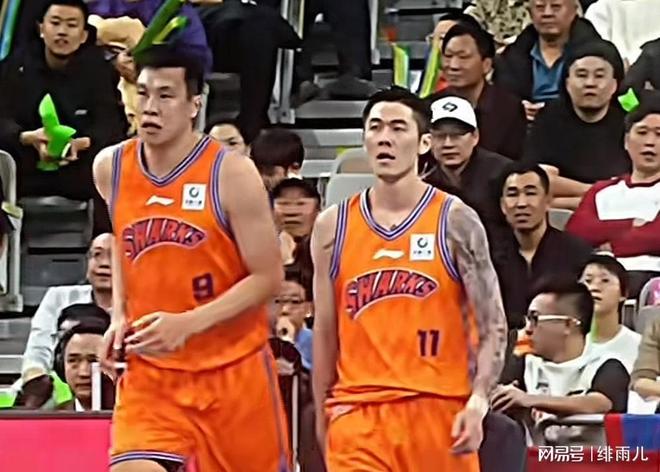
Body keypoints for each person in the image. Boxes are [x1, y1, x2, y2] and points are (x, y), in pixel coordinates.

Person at [93, 45, 288, 471]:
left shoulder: (231, 173)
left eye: (165, 95)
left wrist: (188, 324)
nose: (150, 107)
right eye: (143, 93)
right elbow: (126, 245)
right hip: (153, 375)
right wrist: (119, 314)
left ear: (194, 105)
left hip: (232, 370)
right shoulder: (111, 168)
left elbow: (268, 277)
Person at [312, 87, 508, 470]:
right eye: (375, 127)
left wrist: (479, 400)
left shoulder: (456, 220)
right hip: (359, 412)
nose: (384, 138)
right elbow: (325, 331)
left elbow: (493, 324)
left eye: (398, 128)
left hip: (439, 409)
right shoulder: (332, 227)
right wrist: (323, 412)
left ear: (424, 144)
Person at [0, 0, 127, 234]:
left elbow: (111, 125)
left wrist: (80, 144)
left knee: (112, 169)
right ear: (41, 28)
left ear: (83, 35)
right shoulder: (15, 67)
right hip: (25, 165)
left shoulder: (99, 71)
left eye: (71, 25)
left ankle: (103, 248)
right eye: (55, 23)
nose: (62, 31)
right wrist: (26, 137)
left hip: (79, 167)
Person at [493, 277, 629, 445]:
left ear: (567, 324)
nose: (528, 329)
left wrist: (530, 399)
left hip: (589, 459)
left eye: (535, 319)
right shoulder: (523, 365)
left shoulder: (607, 365)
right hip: (535, 459)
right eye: (527, 320)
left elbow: (599, 403)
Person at [566, 93, 660, 291]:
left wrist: (608, 244)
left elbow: (655, 237)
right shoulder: (601, 190)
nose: (650, 142)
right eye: (642, 132)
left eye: (659, 134)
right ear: (626, 141)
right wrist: (629, 224)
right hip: (593, 280)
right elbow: (576, 234)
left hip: (650, 279)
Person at [525, 40, 628, 209]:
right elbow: (542, 180)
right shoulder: (549, 118)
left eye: (599, 76)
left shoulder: (629, 121)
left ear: (614, 85)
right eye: (581, 75)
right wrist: (599, 193)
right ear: (567, 83)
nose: (590, 83)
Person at [493, 162, 592, 329]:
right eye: (513, 194)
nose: (521, 203)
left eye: (531, 193)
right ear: (503, 205)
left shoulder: (577, 253)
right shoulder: (488, 254)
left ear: (548, 201)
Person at [21, 233, 112, 382]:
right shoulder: (58, 297)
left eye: (114, 257)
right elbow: (37, 353)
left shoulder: (144, 307)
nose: (104, 264)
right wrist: (36, 381)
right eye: (97, 255)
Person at [494, 0, 600, 121]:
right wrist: (517, 108)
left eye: (556, 7)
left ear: (574, 11)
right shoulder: (514, 54)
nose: (547, 13)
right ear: (530, 12)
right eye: (540, 7)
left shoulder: (596, 54)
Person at [435, 24, 527, 160]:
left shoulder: (509, 108)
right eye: (448, 56)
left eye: (463, 57)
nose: (453, 65)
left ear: (486, 65)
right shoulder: (430, 106)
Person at [424, 95, 511, 236]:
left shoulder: (503, 173)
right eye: (440, 136)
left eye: (456, 135)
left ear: (475, 136)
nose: (448, 144)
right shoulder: (424, 182)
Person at [580, 254, 641, 372]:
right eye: (588, 281)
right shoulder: (565, 343)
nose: (594, 288)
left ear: (623, 293)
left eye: (605, 280)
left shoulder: (640, 347)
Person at [54, 317, 110, 411]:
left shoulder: (133, 414)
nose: (84, 373)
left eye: (94, 361)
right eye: (73, 361)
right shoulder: (51, 417)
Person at [251, 128, 306, 192]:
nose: (262, 178)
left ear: (294, 168)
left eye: (270, 173)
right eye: (259, 171)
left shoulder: (311, 195)